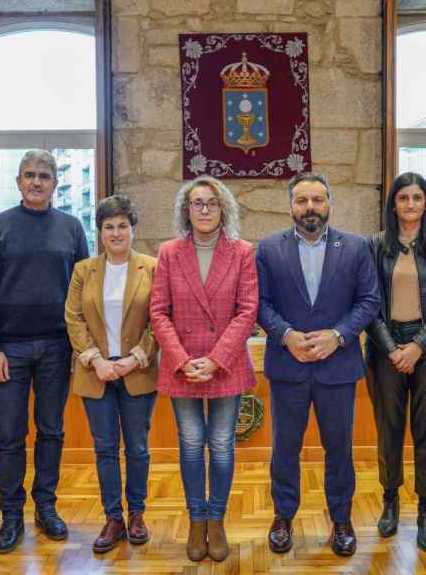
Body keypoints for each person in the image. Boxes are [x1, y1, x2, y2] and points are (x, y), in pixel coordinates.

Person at [256, 173, 379, 557]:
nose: (310, 208)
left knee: (339, 448)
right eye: (302, 201)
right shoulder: (268, 249)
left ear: (329, 203)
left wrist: (338, 336)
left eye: (317, 200)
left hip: (337, 367)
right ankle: (283, 517)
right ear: (290, 206)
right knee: (285, 448)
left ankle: (341, 519)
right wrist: (287, 335)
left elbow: (369, 301)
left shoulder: (357, 248)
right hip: (287, 365)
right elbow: (259, 303)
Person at [0, 149, 89, 553]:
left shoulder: (72, 228)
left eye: (44, 175)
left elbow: (82, 294)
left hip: (58, 347)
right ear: (18, 182)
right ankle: (10, 517)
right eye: (29, 175)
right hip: (10, 350)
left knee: (52, 431)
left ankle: (46, 507)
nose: (36, 181)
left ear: (55, 183)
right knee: (9, 434)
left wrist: (81, 346)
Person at [149, 176, 258, 563]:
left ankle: (218, 519)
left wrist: (216, 359)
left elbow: (248, 311)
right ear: (187, 210)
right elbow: (159, 311)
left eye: (212, 203)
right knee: (192, 444)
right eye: (197, 203)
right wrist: (181, 359)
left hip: (224, 365)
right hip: (184, 366)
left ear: (223, 207)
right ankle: (197, 519)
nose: (205, 210)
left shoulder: (243, 252)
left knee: (224, 447)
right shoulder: (169, 252)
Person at [365, 172, 426, 552]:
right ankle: (390, 501)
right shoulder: (376, 246)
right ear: (393, 204)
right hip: (385, 347)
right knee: (388, 430)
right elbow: (368, 304)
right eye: (403, 198)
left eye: (418, 198)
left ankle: (425, 511)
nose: (410, 205)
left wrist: (418, 346)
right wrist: (392, 348)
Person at [64, 195, 158, 554]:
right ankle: (113, 517)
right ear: (100, 231)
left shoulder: (152, 267)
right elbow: (73, 318)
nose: (116, 233)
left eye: (122, 226)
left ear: (133, 230)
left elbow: (160, 318)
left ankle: (137, 514)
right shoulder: (83, 270)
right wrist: (94, 360)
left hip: (137, 371)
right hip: (96, 373)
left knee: (137, 447)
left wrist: (135, 358)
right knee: (105, 449)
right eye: (109, 227)